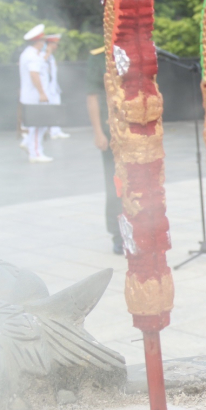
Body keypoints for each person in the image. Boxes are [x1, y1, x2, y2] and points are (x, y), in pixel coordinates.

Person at [85, 46, 125, 254]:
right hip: (112, 132)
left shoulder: (138, 50)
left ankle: (144, 228)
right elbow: (93, 96)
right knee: (114, 183)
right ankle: (118, 234)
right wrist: (98, 132)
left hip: (136, 131)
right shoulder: (98, 57)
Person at [19, 24, 53, 163]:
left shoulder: (30, 54)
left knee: (37, 124)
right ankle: (36, 153)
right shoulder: (32, 56)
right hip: (36, 96)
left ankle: (29, 144)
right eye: (43, 41)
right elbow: (34, 75)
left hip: (32, 96)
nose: (44, 43)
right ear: (38, 42)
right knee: (39, 125)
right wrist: (42, 93)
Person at [43, 33, 69, 139]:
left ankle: (56, 130)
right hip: (45, 87)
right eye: (55, 44)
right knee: (47, 110)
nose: (57, 46)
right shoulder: (43, 54)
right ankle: (49, 131)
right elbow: (40, 65)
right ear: (50, 43)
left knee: (56, 107)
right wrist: (47, 54)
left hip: (53, 87)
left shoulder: (51, 56)